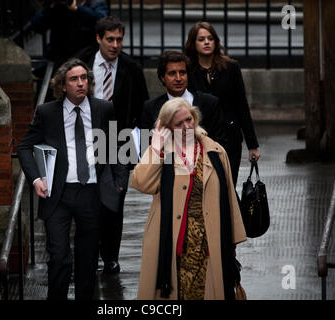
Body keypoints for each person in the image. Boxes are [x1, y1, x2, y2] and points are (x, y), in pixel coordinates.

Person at [17, 58, 126, 300]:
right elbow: (24, 147)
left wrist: (119, 181)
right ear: (62, 86)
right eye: (74, 79)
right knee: (59, 257)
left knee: (87, 262)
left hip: (92, 193)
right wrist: (36, 179)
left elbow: (115, 146)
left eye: (84, 78)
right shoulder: (47, 112)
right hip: (58, 193)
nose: (80, 83)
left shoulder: (103, 109)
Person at [131, 98, 246, 300]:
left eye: (189, 119)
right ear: (166, 128)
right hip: (173, 242)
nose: (187, 126)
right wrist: (155, 147)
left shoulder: (215, 151)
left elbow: (229, 195)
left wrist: (233, 240)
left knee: (208, 292)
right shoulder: (163, 154)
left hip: (209, 239)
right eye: (179, 124)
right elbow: (141, 183)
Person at [78, 16, 150, 274]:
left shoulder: (131, 68)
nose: (115, 45)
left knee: (115, 200)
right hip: (86, 138)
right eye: (110, 39)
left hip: (120, 140)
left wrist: (141, 147)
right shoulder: (82, 63)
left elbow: (144, 109)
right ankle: (90, 252)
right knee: (87, 198)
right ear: (98, 38)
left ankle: (110, 256)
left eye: (119, 39)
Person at [185, 21, 260, 186]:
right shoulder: (188, 71)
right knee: (204, 186)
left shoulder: (230, 67)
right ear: (193, 43)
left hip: (230, 137)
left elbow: (242, 105)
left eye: (210, 38)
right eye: (201, 39)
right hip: (201, 138)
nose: (206, 42)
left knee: (227, 185)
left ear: (215, 42)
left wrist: (252, 145)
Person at [140, 50, 227, 150]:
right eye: (172, 73)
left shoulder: (209, 103)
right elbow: (145, 147)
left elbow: (220, 143)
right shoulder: (150, 108)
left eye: (182, 73)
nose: (178, 78)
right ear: (162, 78)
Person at [31, 0, 108, 66]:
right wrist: (50, 7)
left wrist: (77, 9)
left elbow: (102, 23)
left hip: (86, 57)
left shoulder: (95, 3)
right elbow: (36, 26)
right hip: (59, 57)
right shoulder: (59, 5)